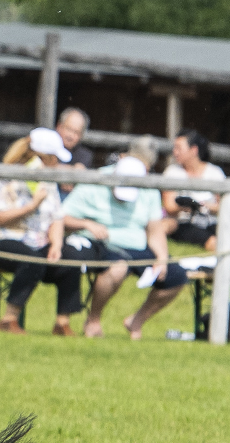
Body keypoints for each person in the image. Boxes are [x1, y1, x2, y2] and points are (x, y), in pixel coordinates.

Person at [49, 136, 185, 338]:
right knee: (117, 268)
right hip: (104, 245)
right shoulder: (95, 181)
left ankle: (136, 322)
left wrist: (162, 258)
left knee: (176, 277)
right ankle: (93, 320)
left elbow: (155, 229)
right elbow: (62, 216)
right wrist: (87, 223)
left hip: (138, 245)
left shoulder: (148, 188)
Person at [0, 129, 84, 335]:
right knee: (31, 260)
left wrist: (57, 245)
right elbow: (0, 218)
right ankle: (9, 319)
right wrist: (31, 206)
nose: (57, 163)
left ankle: (62, 323)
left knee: (71, 259)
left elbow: (56, 217)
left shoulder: (47, 181)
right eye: (55, 158)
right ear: (44, 157)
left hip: (35, 242)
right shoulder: (5, 177)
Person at [160, 128, 222, 250]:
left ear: (194, 150)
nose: (174, 152)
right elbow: (169, 207)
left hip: (211, 221)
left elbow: (223, 206)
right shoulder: (172, 172)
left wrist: (205, 206)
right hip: (184, 223)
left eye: (179, 148)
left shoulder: (215, 173)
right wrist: (186, 205)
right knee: (214, 242)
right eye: (174, 147)